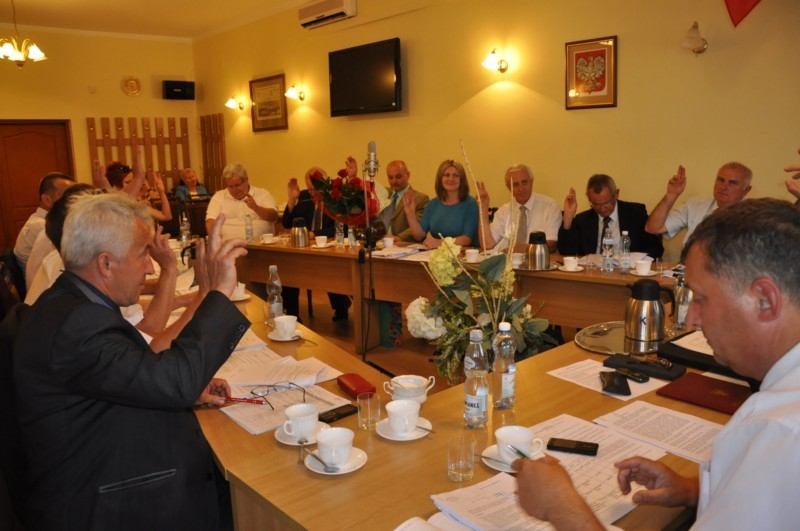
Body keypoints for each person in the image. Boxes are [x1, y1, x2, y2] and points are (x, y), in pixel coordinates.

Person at [514, 198, 800, 529]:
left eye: (701, 299)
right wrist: (695, 491)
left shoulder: (781, 434)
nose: (691, 319)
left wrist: (561, 506)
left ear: (765, 300)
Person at [13, 193, 249, 530]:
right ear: (106, 264)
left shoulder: (70, 304)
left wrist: (179, 385)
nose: (150, 267)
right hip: (104, 499)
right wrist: (220, 293)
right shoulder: (77, 324)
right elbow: (177, 382)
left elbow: (132, 367)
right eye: (143, 255)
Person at [282, 167, 351, 321]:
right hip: (306, 248)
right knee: (288, 270)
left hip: (329, 248)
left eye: (315, 189)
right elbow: (287, 223)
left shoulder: (335, 197)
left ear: (325, 184)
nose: (312, 193)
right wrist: (292, 200)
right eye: (309, 189)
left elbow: (339, 228)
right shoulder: (304, 196)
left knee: (331, 269)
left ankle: (341, 308)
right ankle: (292, 316)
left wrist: (314, 234)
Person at [557, 174, 663, 258]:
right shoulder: (583, 220)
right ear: (588, 198)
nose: (602, 209)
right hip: (593, 273)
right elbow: (566, 252)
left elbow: (656, 248)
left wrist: (636, 261)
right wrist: (568, 218)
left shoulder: (635, 213)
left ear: (616, 194)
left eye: (606, 203)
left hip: (627, 271)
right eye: (596, 205)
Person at [645, 162, 752, 244]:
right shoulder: (695, 205)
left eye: (732, 183)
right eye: (721, 180)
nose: (724, 187)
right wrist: (671, 195)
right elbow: (653, 228)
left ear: (746, 190)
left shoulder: (753, 217)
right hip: (688, 266)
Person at [477, 164, 561, 252]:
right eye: (515, 184)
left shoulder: (550, 206)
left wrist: (525, 249)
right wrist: (483, 208)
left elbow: (552, 245)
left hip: (537, 259)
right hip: (508, 259)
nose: (521, 188)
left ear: (532, 182)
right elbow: (488, 245)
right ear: (509, 188)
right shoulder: (504, 211)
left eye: (524, 182)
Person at [403, 159, 479, 248]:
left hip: (464, 253)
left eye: (455, 175)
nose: (451, 179)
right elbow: (419, 236)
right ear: (440, 179)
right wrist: (410, 215)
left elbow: (467, 239)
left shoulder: (471, 204)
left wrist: (440, 242)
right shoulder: (432, 204)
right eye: (446, 175)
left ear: (462, 180)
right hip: (437, 253)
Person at [13, 172, 74, 276]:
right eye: (68, 196)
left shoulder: (41, 220)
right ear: (47, 199)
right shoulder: (41, 226)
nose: (75, 201)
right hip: (42, 283)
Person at [205, 162, 278, 240]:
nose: (234, 190)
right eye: (230, 186)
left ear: (246, 180)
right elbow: (210, 221)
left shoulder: (262, 194)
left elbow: (273, 217)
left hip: (259, 245)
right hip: (227, 245)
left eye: (237, 185)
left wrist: (256, 208)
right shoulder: (219, 197)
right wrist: (215, 239)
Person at [380, 160, 429, 242]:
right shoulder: (383, 194)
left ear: (408, 175)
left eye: (398, 177)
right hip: (379, 243)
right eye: (390, 177)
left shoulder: (421, 199)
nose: (394, 181)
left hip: (403, 245)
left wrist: (399, 238)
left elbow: (420, 226)